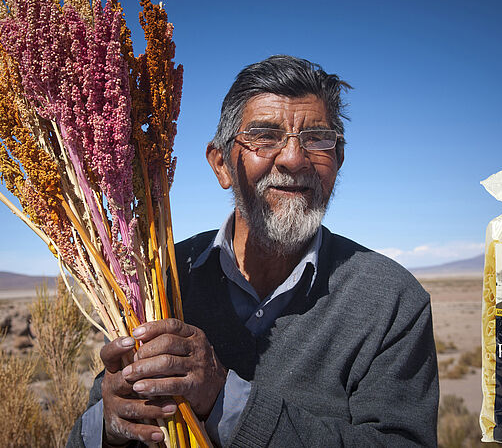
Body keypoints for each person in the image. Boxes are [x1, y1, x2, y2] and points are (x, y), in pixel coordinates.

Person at [67, 55, 439, 447]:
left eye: (316, 139)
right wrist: (109, 429)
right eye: (264, 135)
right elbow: (87, 434)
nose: (294, 159)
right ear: (221, 164)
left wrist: (226, 402)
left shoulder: (390, 298)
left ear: (338, 160)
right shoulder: (155, 276)